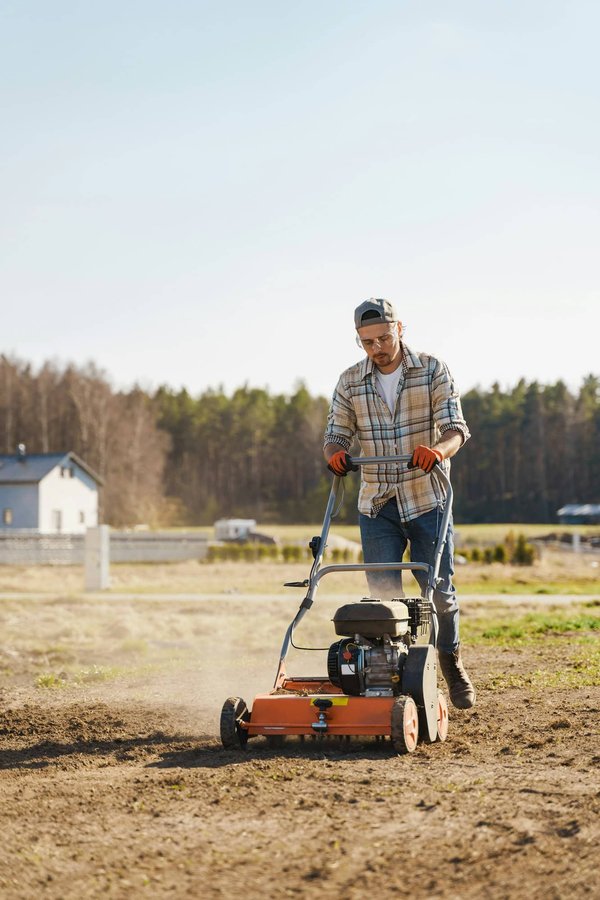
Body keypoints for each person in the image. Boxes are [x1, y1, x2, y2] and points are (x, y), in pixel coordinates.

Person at [323, 298, 475, 709]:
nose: (378, 348)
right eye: (368, 342)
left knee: (439, 592)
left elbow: (456, 428)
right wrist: (335, 452)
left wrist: (439, 451)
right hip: (377, 503)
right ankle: (393, 676)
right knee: (384, 600)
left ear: (400, 329)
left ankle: (450, 661)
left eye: (384, 338)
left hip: (427, 498)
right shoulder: (350, 380)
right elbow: (336, 432)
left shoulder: (431, 369)